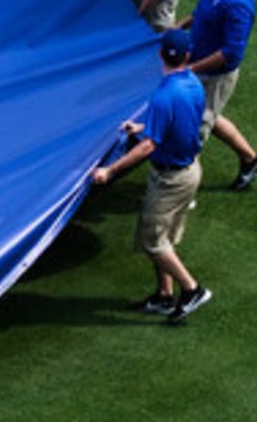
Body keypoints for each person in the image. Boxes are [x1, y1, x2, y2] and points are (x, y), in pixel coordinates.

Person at [89, 31, 212, 323]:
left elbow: (148, 146)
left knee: (152, 242)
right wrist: (144, 125)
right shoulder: (193, 84)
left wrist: (110, 170)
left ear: (161, 55)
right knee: (165, 237)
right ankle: (164, 296)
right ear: (187, 56)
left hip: (171, 180)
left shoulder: (163, 94)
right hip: (190, 171)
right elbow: (178, 121)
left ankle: (192, 290)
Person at [185, 0, 257, 191]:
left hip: (214, 76)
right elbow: (200, 13)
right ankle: (252, 160)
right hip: (200, 68)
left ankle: (182, 194)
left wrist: (191, 69)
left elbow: (230, 52)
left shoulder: (238, 3)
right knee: (210, 116)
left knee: (192, 134)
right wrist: (175, 30)